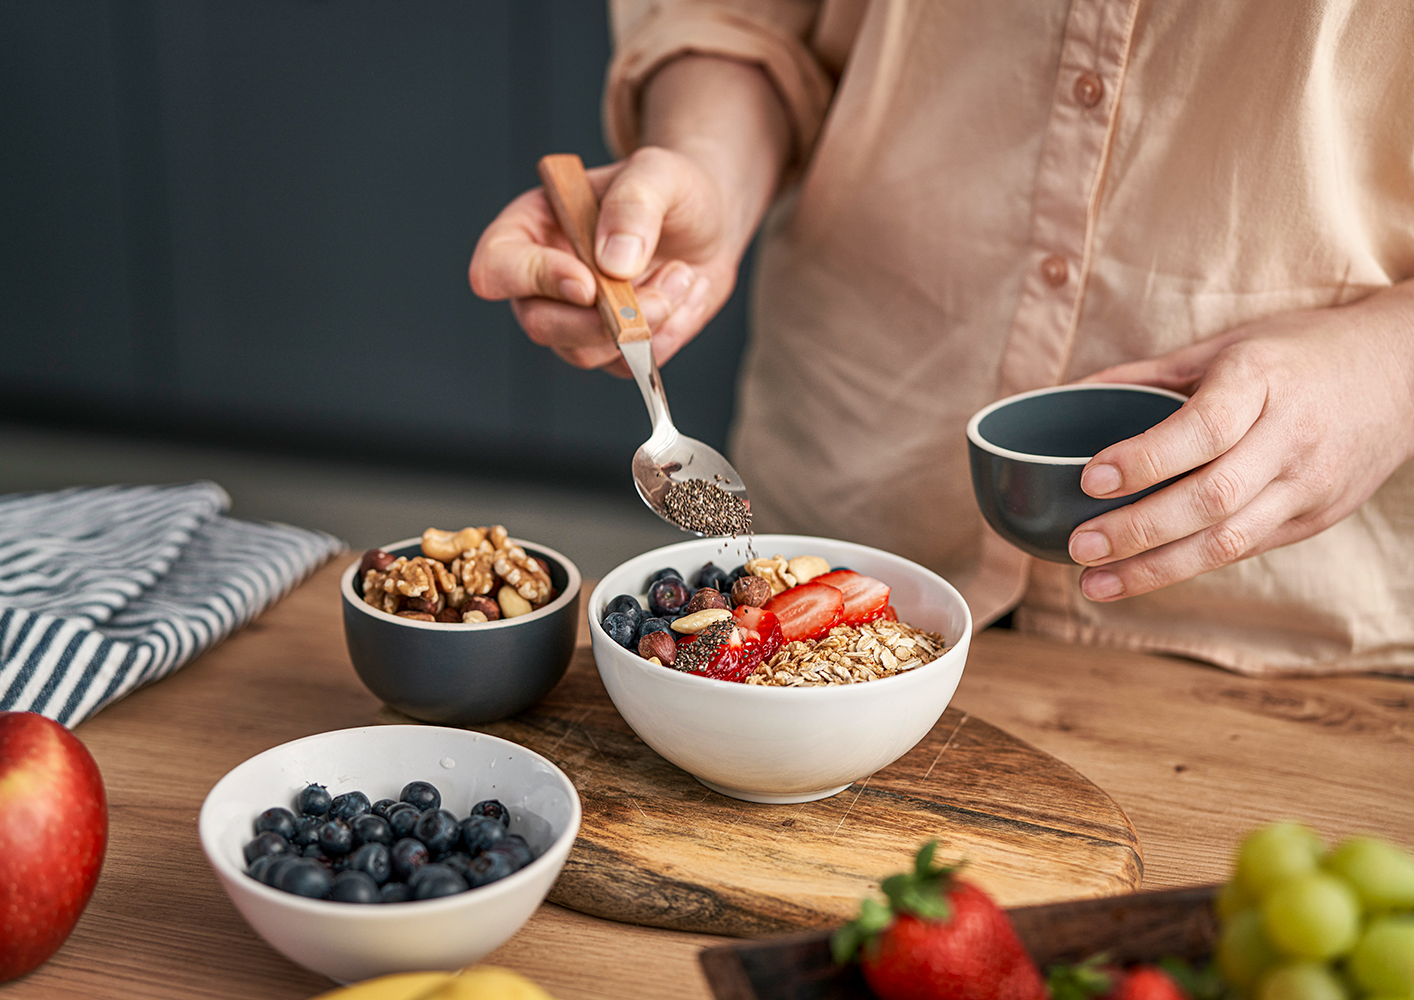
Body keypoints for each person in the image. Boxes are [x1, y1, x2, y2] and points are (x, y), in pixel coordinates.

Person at [469, 0, 1414, 676]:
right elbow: (745, 19)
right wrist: (711, 166)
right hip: (855, 493)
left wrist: (1389, 368)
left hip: (1282, 635)